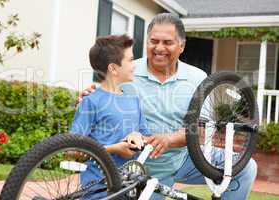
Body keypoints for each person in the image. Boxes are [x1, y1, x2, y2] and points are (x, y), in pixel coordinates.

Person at [79, 13, 257, 200]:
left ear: (181, 46)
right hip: (135, 166)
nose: (159, 48)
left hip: (182, 160)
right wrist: (90, 99)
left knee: (245, 167)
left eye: (167, 42)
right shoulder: (126, 71)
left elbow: (201, 129)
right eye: (153, 41)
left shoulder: (197, 77)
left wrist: (169, 139)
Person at [71, 34, 150, 199]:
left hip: (128, 189)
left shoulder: (134, 100)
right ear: (113, 68)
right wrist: (114, 149)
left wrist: (137, 136)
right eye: (130, 60)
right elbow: (73, 150)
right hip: (97, 190)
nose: (134, 65)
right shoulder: (91, 101)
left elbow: (146, 136)